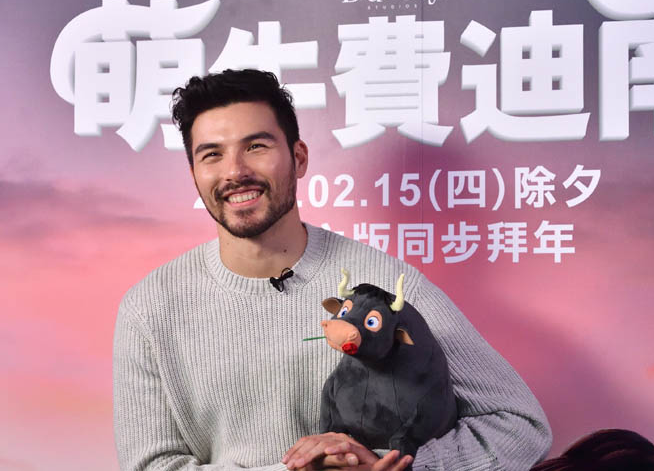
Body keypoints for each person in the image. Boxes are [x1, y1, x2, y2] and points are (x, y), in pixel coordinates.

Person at [112, 69, 551, 471]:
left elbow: (521, 426)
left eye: (256, 146)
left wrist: (398, 467)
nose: (235, 171)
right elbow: (150, 465)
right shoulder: (149, 308)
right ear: (193, 173)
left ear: (299, 157)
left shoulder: (388, 290)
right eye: (212, 154)